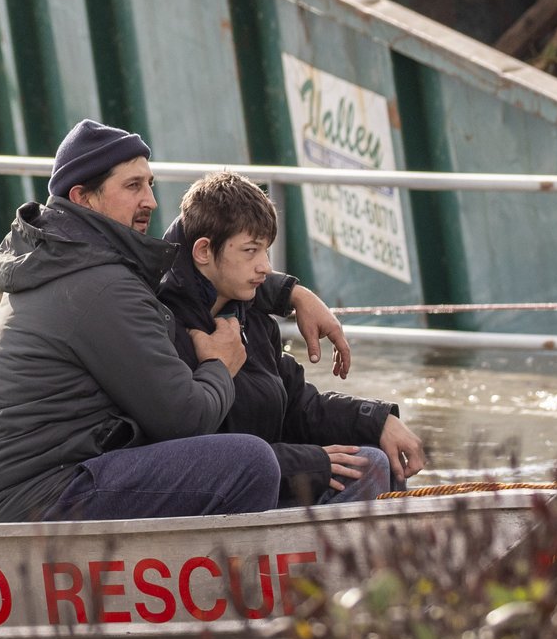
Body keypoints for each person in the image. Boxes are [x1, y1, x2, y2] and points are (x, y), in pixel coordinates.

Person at [0, 119, 355, 523]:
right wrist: (219, 364)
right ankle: (231, 584)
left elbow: (186, 266)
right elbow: (185, 419)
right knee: (249, 462)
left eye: (149, 183)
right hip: (38, 500)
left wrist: (289, 293)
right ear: (83, 197)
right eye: (133, 186)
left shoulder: (75, 261)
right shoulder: (98, 285)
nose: (150, 199)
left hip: (44, 482)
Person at [159, 171, 427, 505]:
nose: (264, 267)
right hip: (218, 498)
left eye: (266, 251)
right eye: (250, 251)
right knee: (369, 465)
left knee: (376, 455)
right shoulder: (164, 327)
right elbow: (203, 454)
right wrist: (312, 463)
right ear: (203, 251)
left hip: (272, 476)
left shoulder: (250, 318)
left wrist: (377, 420)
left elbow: (298, 404)